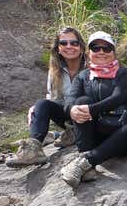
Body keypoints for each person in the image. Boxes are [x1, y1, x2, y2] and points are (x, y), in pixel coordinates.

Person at [60, 31, 127, 188]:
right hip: (93, 134)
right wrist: (71, 110)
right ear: (89, 53)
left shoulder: (124, 74)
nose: (101, 52)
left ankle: (85, 162)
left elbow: (118, 97)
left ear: (113, 53)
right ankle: (86, 161)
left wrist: (90, 110)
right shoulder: (83, 76)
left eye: (107, 48)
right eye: (96, 48)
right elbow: (70, 98)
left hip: (118, 134)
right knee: (80, 101)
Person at [6, 27, 85, 167]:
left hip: (88, 114)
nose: (69, 46)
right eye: (64, 43)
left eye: (74, 43)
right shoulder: (55, 70)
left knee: (80, 100)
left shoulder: (91, 66)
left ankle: (73, 133)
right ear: (58, 48)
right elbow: (53, 98)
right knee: (41, 104)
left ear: (81, 46)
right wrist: (38, 109)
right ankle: (32, 150)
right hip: (67, 115)